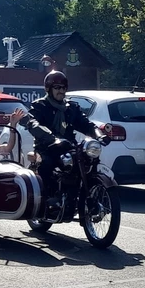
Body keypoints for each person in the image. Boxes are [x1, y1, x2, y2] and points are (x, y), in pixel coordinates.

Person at [26, 71, 110, 200]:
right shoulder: (40, 106)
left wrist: (100, 135)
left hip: (69, 146)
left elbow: (85, 124)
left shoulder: (71, 107)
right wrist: (52, 138)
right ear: (48, 89)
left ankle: (85, 193)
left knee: (87, 160)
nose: (61, 91)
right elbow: (33, 124)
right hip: (46, 147)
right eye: (57, 87)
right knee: (47, 164)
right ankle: (45, 199)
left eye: (64, 87)